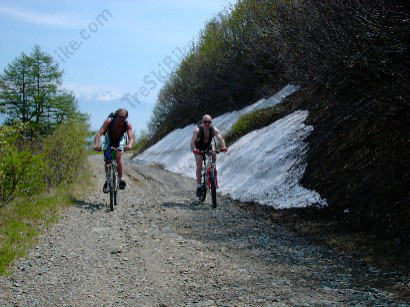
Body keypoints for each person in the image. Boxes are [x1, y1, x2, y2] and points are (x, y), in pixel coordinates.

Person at [93, 108, 134, 193]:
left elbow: (130, 138)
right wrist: (96, 144)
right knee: (107, 160)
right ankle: (107, 179)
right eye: (119, 117)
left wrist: (129, 145)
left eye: (123, 117)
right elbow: (99, 133)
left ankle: (121, 179)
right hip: (109, 138)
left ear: (126, 118)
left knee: (118, 156)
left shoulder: (127, 125)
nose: (121, 119)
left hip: (120, 139)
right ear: (116, 116)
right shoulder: (109, 121)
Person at [191, 114, 227, 197]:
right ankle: (199, 186)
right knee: (199, 165)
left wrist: (223, 146)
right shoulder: (197, 130)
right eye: (205, 122)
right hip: (198, 149)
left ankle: (212, 168)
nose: (207, 124)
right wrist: (194, 149)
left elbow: (220, 138)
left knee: (214, 152)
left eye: (209, 122)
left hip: (208, 147)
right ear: (202, 122)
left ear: (211, 122)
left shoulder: (213, 130)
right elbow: (193, 141)